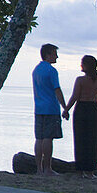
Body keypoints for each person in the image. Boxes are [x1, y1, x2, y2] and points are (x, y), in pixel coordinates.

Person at [63, 55, 97, 178]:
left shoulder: (80, 80)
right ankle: (90, 171)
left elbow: (75, 96)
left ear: (87, 65)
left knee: (80, 140)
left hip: (82, 109)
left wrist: (66, 109)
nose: (81, 66)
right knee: (94, 141)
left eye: (82, 63)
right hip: (94, 109)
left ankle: (80, 170)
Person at [32, 43, 68, 175]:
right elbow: (57, 90)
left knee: (39, 138)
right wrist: (65, 107)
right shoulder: (51, 71)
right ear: (48, 54)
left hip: (39, 108)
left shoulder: (36, 70)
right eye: (54, 53)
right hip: (51, 108)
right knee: (48, 138)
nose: (57, 56)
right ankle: (47, 168)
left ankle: (39, 169)